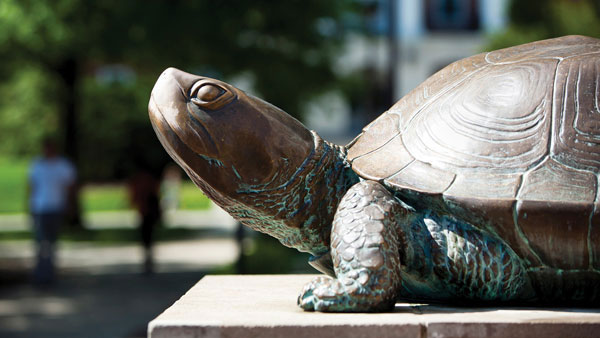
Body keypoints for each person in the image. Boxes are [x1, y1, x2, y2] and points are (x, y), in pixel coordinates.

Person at [27, 138, 76, 285]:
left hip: (56, 207)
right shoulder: (37, 165)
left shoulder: (63, 165)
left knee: (52, 243)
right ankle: (41, 273)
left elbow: (70, 188)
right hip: (40, 207)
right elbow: (31, 186)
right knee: (41, 242)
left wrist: (70, 205)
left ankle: (50, 273)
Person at [128, 162, 162, 274]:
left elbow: (134, 196)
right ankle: (148, 259)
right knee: (148, 237)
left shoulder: (138, 179)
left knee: (146, 237)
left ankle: (147, 259)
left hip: (144, 211)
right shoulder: (149, 179)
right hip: (148, 211)